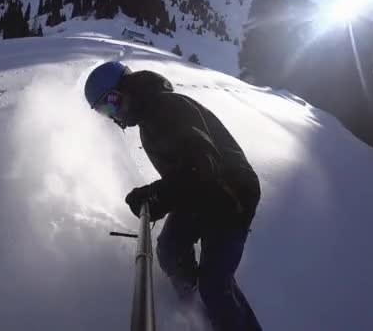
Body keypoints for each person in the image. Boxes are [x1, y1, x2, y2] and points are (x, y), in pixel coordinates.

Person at [84, 61, 262, 330]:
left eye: (113, 102)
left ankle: (221, 310)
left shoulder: (168, 108)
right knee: (169, 249)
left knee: (215, 284)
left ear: (128, 89)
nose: (113, 114)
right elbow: (186, 175)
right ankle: (192, 302)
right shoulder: (148, 120)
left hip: (231, 195)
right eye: (104, 110)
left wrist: (157, 195)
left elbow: (202, 166)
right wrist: (158, 196)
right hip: (200, 192)